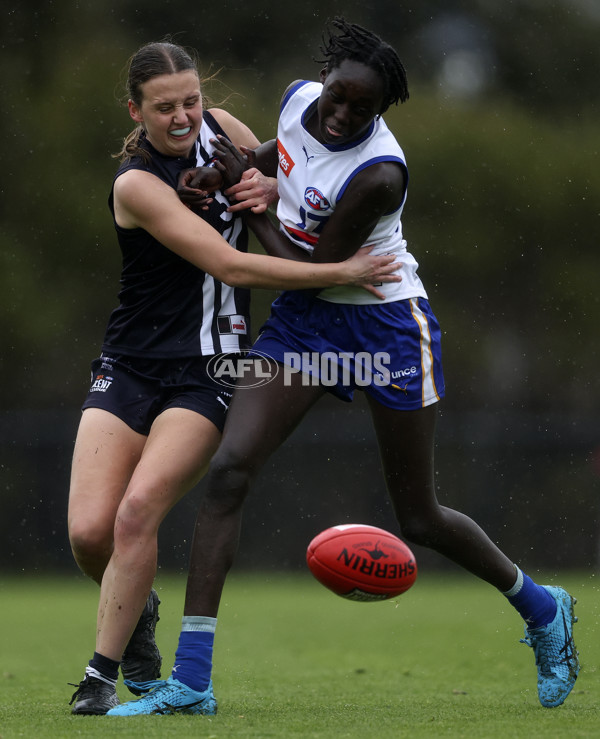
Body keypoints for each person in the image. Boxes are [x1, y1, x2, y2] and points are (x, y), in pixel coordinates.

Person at [107, 19, 579, 716]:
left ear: (381, 112)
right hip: (306, 327)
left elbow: (309, 270)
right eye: (336, 99)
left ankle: (543, 607)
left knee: (418, 514)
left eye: (360, 110)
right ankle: (192, 680)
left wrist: (246, 189)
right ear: (323, 81)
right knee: (230, 468)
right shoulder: (301, 100)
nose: (339, 115)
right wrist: (239, 170)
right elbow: (281, 153)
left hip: (384, 326)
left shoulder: (380, 174)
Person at [66, 38, 401, 716]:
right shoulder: (137, 183)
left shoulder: (226, 131)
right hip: (129, 363)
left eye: (191, 99)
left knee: (137, 513)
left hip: (211, 367)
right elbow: (233, 266)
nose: (184, 116)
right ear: (136, 110)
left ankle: (100, 676)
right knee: (89, 533)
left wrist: (270, 185)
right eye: (165, 108)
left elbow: (290, 191)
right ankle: (141, 611)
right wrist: (338, 273)